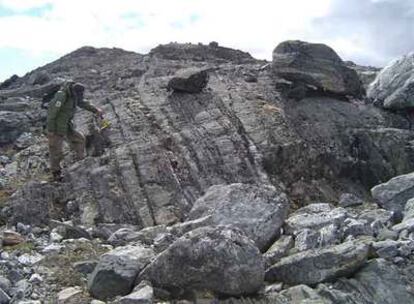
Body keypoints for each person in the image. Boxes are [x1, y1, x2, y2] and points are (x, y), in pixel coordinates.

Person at [47, 81, 103, 180]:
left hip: (67, 124)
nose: (79, 96)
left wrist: (95, 110)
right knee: (56, 149)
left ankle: (81, 161)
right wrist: (50, 129)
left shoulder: (75, 95)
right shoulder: (62, 95)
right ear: (73, 90)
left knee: (79, 139)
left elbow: (83, 103)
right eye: (78, 94)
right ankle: (56, 173)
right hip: (56, 126)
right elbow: (52, 112)